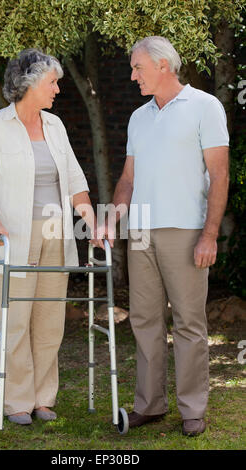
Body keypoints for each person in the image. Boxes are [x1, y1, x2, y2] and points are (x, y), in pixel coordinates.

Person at [0, 49, 102, 425]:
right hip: (14, 237)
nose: (57, 89)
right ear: (28, 84)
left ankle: (44, 399)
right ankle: (16, 402)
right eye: (52, 83)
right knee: (16, 321)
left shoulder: (55, 126)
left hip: (56, 235)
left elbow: (76, 183)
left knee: (49, 321)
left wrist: (90, 222)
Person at [109, 36, 229, 436]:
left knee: (189, 322)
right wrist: (113, 218)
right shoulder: (139, 117)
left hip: (185, 229)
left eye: (137, 68)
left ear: (163, 66)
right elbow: (128, 178)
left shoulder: (205, 107)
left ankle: (192, 408)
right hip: (140, 231)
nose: (132, 76)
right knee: (143, 319)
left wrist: (209, 234)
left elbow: (220, 175)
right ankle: (150, 404)